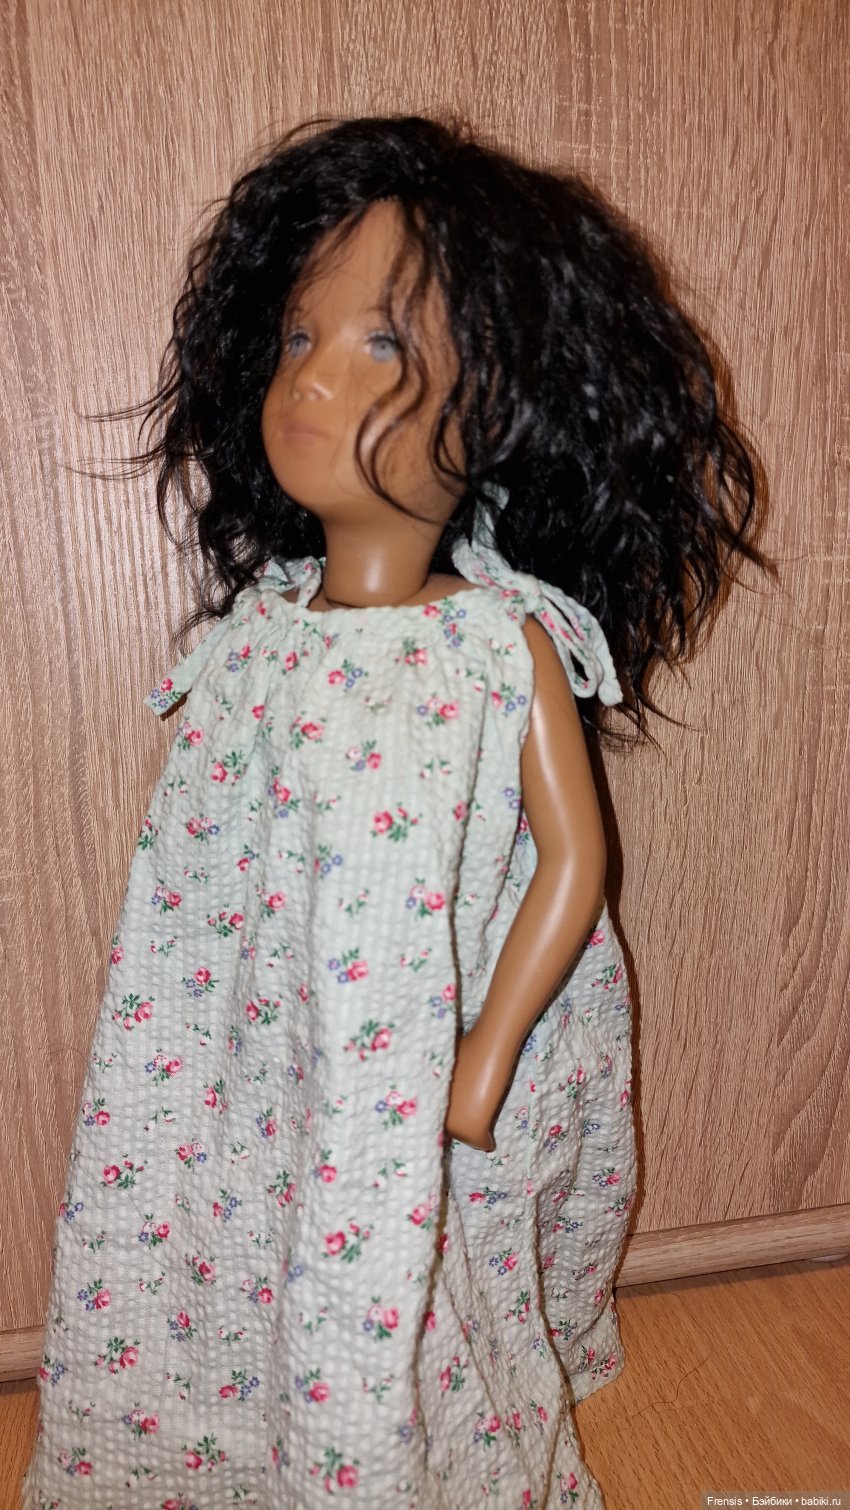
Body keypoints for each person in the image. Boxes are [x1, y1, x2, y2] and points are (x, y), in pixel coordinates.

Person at [22, 112, 774, 1509]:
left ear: (494, 412)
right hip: (251, 1058)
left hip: (419, 1059)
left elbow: (572, 865)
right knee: (240, 1254)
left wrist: (483, 1061)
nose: (313, 378)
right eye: (298, 339)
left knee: (406, 1280)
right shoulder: (255, 638)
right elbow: (204, 859)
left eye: (381, 346)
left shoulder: (497, 642)